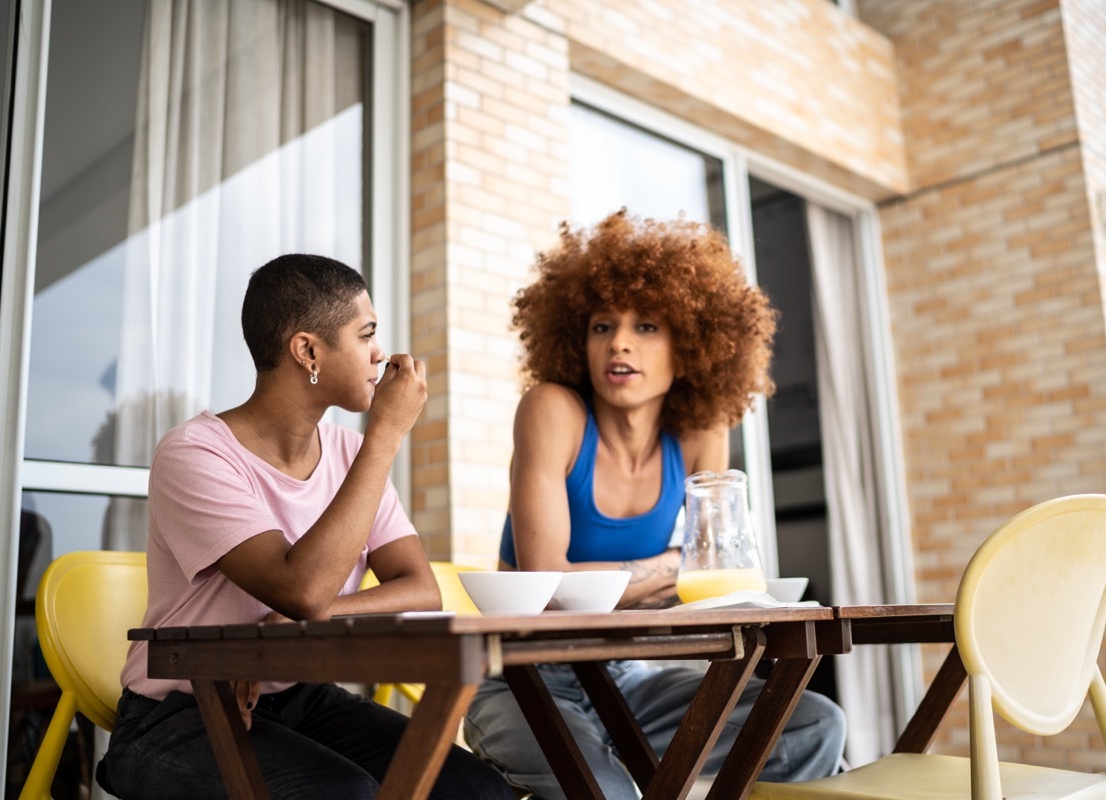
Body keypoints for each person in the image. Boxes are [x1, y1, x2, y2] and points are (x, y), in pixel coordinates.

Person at [96, 254, 515, 800]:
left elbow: (419, 587)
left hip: (302, 698)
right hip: (180, 712)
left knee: (475, 789)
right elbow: (305, 592)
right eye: (365, 335)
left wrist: (275, 626)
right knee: (344, 794)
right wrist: (386, 434)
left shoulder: (348, 453)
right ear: (308, 350)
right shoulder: (195, 454)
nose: (380, 354)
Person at [462, 212, 846, 798]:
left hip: (626, 674)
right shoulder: (553, 412)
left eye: (646, 326)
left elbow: (718, 577)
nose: (619, 341)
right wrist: (672, 567)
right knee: (608, 791)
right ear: (577, 341)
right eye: (601, 327)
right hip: (525, 676)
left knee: (814, 725)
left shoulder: (698, 430)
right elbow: (548, 586)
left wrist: (666, 575)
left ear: (691, 345)